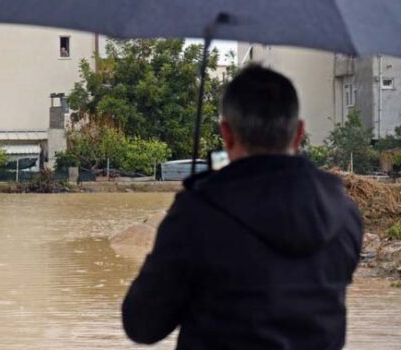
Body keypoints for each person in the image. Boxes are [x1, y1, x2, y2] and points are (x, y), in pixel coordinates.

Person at [122, 65, 363, 349]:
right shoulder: (345, 212)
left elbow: (142, 325)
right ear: (299, 134)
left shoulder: (198, 213)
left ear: (227, 133)